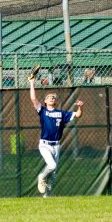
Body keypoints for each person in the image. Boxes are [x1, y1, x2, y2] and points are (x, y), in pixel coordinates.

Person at [29, 66, 83, 198]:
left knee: (53, 175)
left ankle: (47, 197)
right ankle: (41, 176)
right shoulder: (42, 111)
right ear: (45, 101)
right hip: (45, 144)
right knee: (51, 165)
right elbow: (33, 99)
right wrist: (31, 83)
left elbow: (77, 115)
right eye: (49, 97)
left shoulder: (61, 113)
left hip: (56, 145)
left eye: (54, 97)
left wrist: (80, 107)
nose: (52, 97)